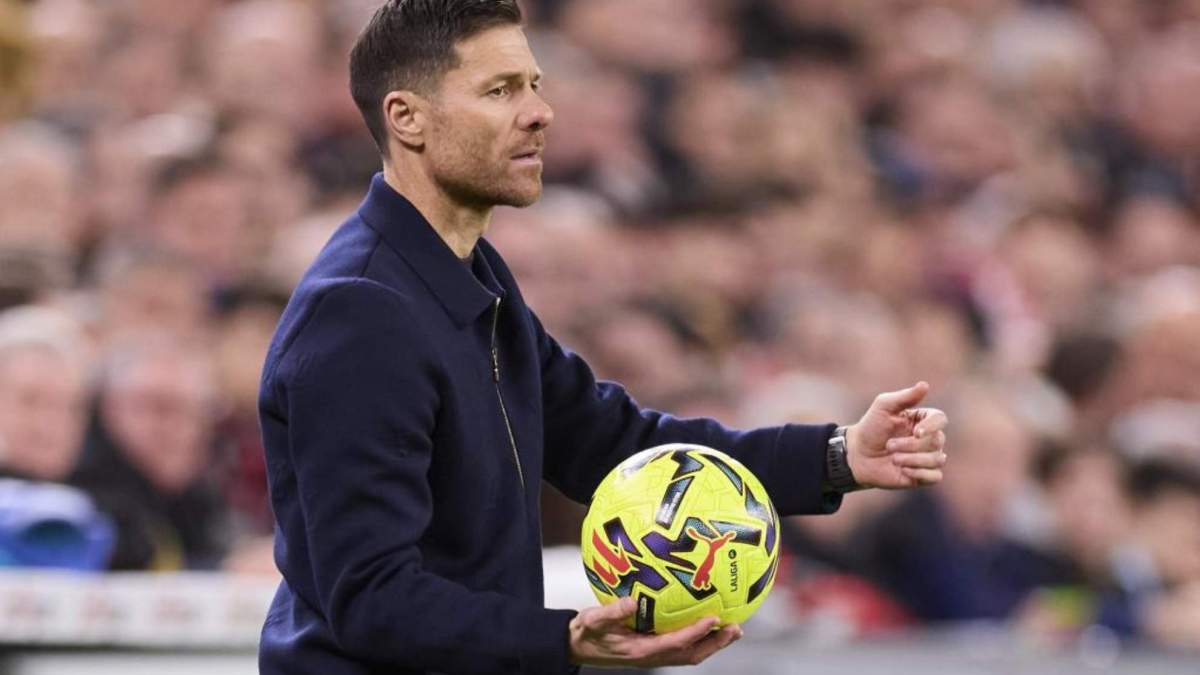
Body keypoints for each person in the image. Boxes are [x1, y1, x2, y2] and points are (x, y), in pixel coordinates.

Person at [257, 2, 949, 673]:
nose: (539, 111)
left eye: (534, 85)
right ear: (406, 118)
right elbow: (372, 598)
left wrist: (838, 454)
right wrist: (565, 639)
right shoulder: (361, 315)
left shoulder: (472, 275)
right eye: (500, 90)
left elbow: (619, 446)